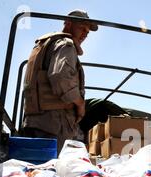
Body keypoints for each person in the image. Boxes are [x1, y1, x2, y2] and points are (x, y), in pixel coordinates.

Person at [22, 9, 98, 153]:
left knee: (37, 170)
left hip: (35, 122)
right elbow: (60, 76)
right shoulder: (66, 45)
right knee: (52, 172)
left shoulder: (46, 44)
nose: (84, 35)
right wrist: (80, 104)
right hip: (54, 125)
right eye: (82, 28)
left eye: (87, 32)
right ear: (68, 24)